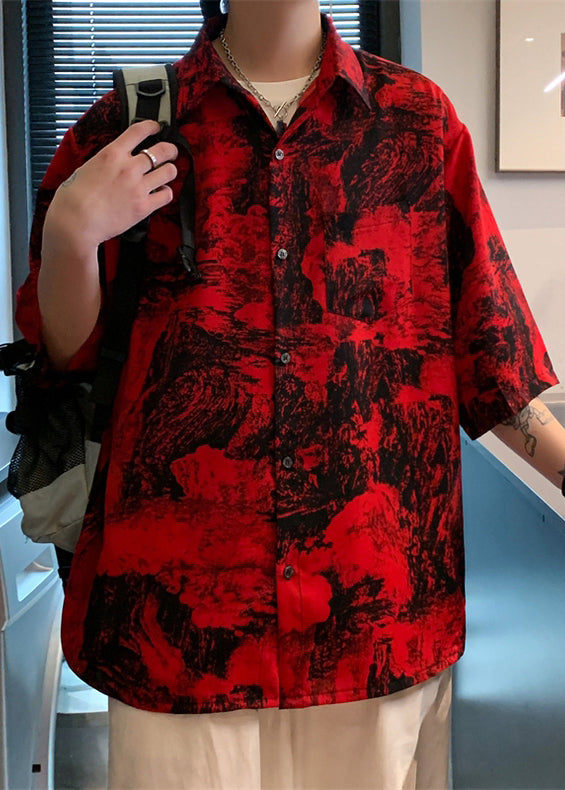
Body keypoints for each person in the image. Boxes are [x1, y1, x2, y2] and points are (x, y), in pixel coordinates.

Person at [14, 0, 565, 787]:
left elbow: (490, 350)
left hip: (373, 608)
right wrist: (72, 231)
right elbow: (66, 354)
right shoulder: (129, 124)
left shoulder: (416, 122)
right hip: (177, 618)